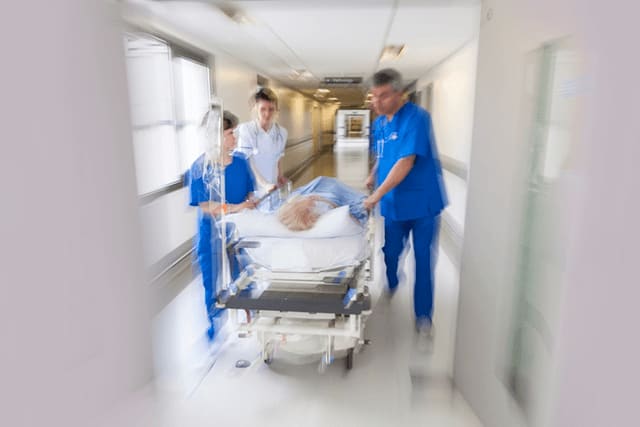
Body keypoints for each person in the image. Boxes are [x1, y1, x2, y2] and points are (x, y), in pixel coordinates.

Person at [363, 68, 447, 341]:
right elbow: (384, 155)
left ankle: (424, 317)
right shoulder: (378, 124)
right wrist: (373, 175)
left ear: (400, 94)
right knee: (390, 252)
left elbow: (405, 161)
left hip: (422, 204)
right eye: (374, 97)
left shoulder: (417, 118)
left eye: (384, 96)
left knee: (423, 261)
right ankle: (393, 281)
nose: (377, 102)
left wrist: (375, 195)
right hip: (394, 204)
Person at [187, 109, 257, 341]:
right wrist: (236, 208)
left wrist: (249, 204)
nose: (235, 138)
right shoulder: (200, 168)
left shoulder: (241, 163)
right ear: (216, 136)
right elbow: (206, 205)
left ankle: (251, 315)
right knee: (212, 279)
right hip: (211, 233)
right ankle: (214, 321)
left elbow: (250, 195)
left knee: (244, 273)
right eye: (230, 133)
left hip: (238, 232)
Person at [236, 88, 289, 207]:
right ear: (256, 109)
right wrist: (264, 185)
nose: (267, 114)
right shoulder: (247, 130)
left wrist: (280, 176)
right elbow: (248, 162)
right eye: (263, 109)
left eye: (271, 109)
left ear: (276, 110)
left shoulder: (282, 133)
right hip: (253, 190)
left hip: (274, 188)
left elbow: (278, 157)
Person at [275, 176, 368, 231]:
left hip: (319, 187)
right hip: (329, 192)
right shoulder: (320, 209)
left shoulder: (294, 204)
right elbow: (344, 212)